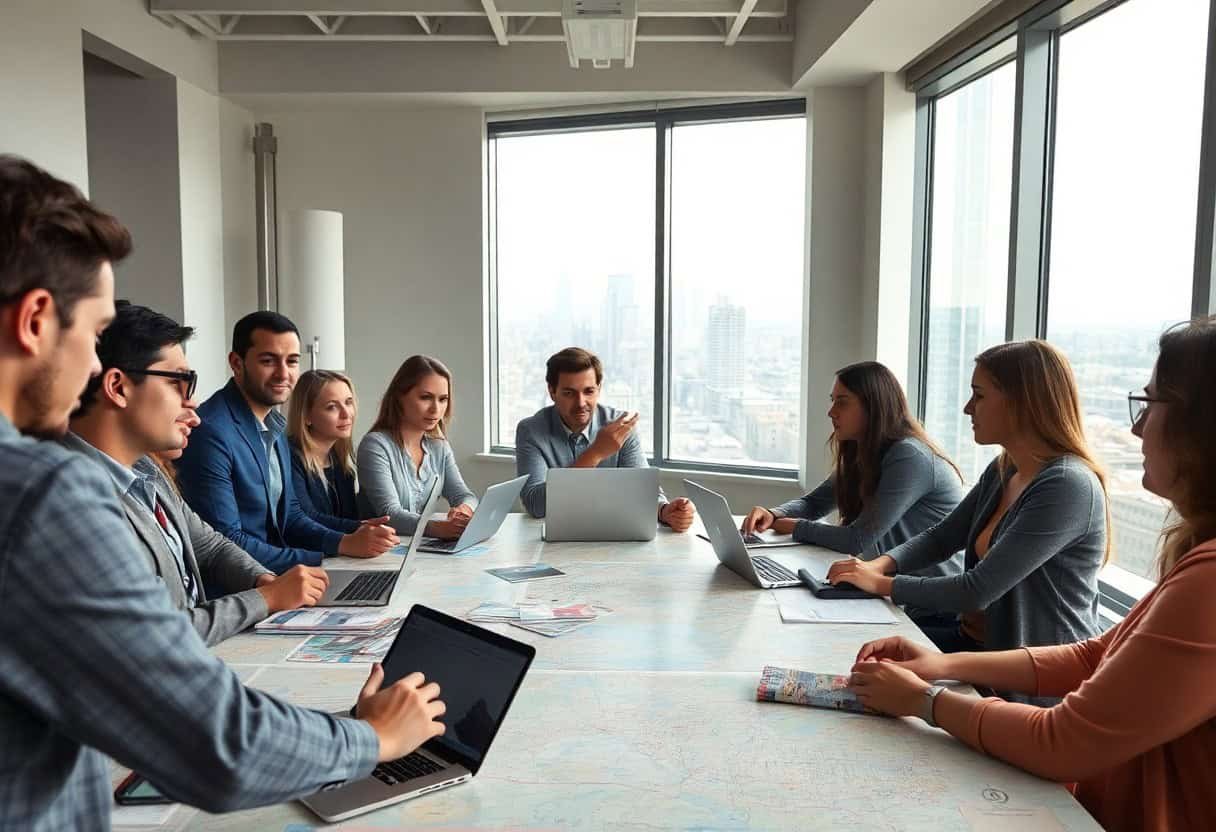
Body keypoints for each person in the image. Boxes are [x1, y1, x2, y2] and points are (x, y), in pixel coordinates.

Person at [0, 155, 445, 829]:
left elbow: (207, 539)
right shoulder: (44, 494)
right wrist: (374, 739)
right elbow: (215, 743)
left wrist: (276, 580)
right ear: (36, 320)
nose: (94, 365)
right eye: (92, 336)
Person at [847, 317, 1216, 832]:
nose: (1136, 427)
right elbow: (1094, 654)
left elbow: (1063, 741)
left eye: (1150, 405)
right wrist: (942, 665)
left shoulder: (1203, 576)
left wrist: (924, 699)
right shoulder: (1197, 558)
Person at [65, 301, 328, 646]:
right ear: (118, 388)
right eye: (179, 382)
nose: (192, 404)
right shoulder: (71, 497)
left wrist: (263, 581)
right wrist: (266, 599)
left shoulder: (146, 468)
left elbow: (210, 545)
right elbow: (155, 637)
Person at [827, 340, 1109, 656]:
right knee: (851, 649)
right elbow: (941, 538)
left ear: (1022, 402)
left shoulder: (1067, 486)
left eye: (980, 395)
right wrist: (880, 565)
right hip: (977, 646)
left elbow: (976, 590)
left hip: (1033, 678)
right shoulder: (1004, 470)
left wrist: (880, 583)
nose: (967, 407)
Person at [176, 311, 399, 573]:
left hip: (280, 576)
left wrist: (350, 536)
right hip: (242, 589)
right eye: (269, 360)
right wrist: (326, 558)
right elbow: (226, 543)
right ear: (237, 363)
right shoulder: (211, 431)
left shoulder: (274, 426)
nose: (284, 374)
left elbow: (291, 517)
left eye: (292, 361)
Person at [741, 361, 964, 580]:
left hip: (929, 608)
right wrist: (774, 514)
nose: (831, 412)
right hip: (893, 591)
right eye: (832, 401)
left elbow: (856, 539)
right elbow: (815, 503)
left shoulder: (909, 457)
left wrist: (795, 527)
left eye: (842, 402)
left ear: (873, 406)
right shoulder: (864, 450)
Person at [514, 347, 695, 532]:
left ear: (599, 389)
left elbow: (641, 491)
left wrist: (666, 512)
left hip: (614, 537)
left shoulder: (620, 427)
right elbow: (535, 504)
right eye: (569, 393)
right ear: (552, 392)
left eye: (589, 391)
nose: (581, 403)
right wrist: (595, 453)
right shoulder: (531, 431)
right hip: (553, 540)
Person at [357, 355, 476, 539]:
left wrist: (464, 510)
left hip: (418, 550)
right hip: (379, 552)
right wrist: (437, 528)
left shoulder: (439, 446)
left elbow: (464, 494)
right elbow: (390, 514)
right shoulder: (375, 445)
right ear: (399, 397)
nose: (436, 409)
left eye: (443, 399)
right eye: (425, 397)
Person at [288, 369, 360, 528]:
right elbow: (306, 518)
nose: (346, 414)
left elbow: (350, 517)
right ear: (306, 416)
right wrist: (361, 527)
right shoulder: (289, 456)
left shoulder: (341, 460)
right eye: (332, 407)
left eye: (348, 402)